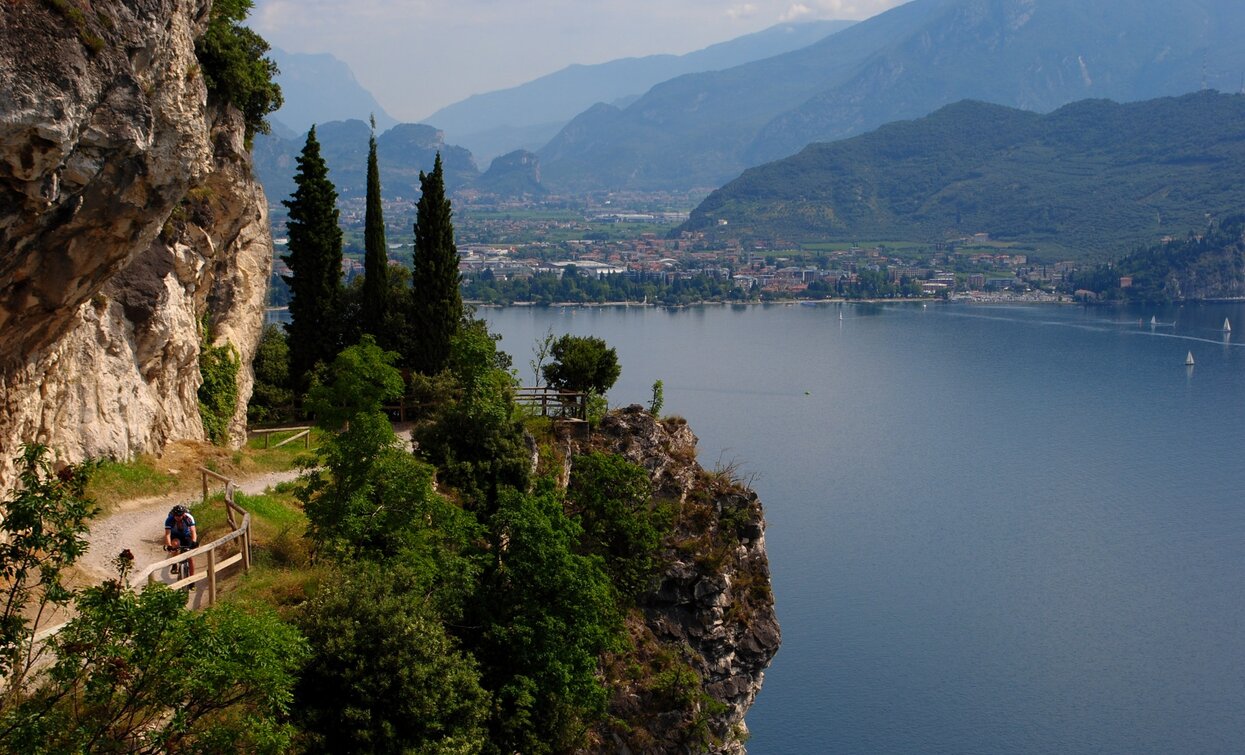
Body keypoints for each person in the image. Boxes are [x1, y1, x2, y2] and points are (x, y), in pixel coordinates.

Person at [164, 504, 198, 576]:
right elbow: (167, 534)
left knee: (190, 557)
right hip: (175, 536)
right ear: (173, 515)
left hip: (186, 536)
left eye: (180, 516)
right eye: (176, 516)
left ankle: (192, 579)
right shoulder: (169, 520)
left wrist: (194, 541)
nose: (178, 517)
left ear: (183, 514)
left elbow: (193, 531)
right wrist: (169, 545)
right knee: (175, 545)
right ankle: (175, 563)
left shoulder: (188, 518)